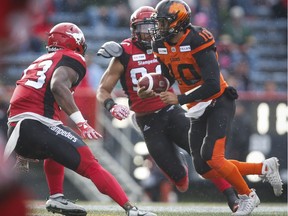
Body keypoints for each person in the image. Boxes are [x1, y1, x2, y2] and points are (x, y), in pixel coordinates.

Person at [3, 22, 156, 216]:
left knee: (55, 146)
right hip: (34, 124)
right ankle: (131, 210)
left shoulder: (40, 60)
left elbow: (23, 98)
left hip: (19, 126)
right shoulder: (71, 57)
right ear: (76, 42)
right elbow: (58, 86)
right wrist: (81, 122)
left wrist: (21, 140)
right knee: (91, 164)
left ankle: (57, 197)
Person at [96, 6, 239, 212]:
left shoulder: (166, 45)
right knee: (181, 182)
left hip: (170, 110)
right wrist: (110, 106)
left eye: (152, 27)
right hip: (146, 120)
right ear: (134, 30)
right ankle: (178, 162)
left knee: (204, 156)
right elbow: (103, 90)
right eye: (143, 28)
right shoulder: (124, 53)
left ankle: (232, 197)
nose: (149, 32)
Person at [149, 0, 283, 215]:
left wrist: (180, 99)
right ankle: (263, 169)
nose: (160, 28)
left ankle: (248, 195)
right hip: (196, 107)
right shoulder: (161, 45)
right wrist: (154, 84)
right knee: (203, 167)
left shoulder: (197, 38)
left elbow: (212, 84)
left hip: (218, 101)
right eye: (159, 23)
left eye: (165, 23)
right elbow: (168, 74)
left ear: (179, 22)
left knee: (215, 157)